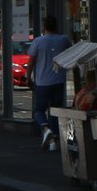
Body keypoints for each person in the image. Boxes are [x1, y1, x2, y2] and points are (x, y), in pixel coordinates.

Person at [30, 15, 72, 151]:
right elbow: (71, 51)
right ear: (56, 26)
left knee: (39, 110)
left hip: (42, 82)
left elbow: (31, 61)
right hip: (59, 80)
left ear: (44, 27)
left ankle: (45, 128)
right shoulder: (63, 40)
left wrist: (27, 77)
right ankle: (53, 142)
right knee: (54, 110)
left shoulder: (38, 41)